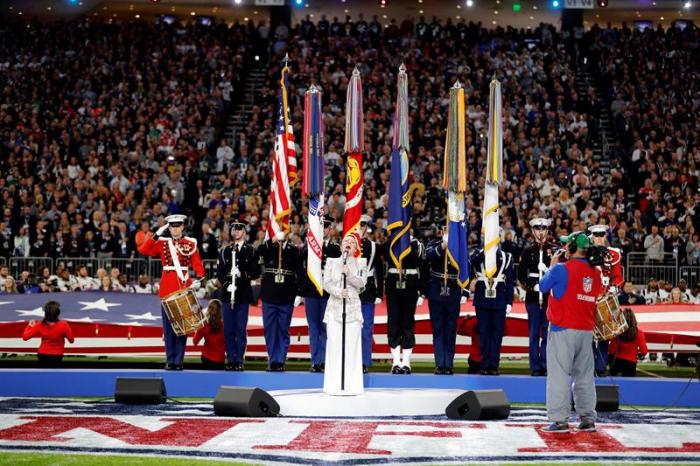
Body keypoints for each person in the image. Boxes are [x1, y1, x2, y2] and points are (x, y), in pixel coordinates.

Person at [539, 231, 603, 433]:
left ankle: (559, 420)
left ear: (573, 248)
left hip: (562, 328)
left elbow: (542, 286)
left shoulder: (559, 269)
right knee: (584, 376)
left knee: (559, 375)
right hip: (586, 330)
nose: (565, 248)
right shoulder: (596, 272)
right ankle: (587, 419)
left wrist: (551, 264)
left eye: (567, 245)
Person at [138, 214, 205, 370]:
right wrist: (157, 233)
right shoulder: (162, 242)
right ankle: (170, 360)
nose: (175, 229)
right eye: (172, 226)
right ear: (168, 227)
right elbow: (143, 250)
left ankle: (179, 361)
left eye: (177, 226)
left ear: (182, 227)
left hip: (184, 287)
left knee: (183, 327)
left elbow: (197, 264)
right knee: (168, 328)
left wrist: (199, 280)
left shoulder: (190, 243)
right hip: (167, 288)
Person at [322, 234, 367, 395]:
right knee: (334, 345)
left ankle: (351, 384)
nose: (348, 244)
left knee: (351, 346)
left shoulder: (361, 262)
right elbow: (325, 282)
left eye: (352, 242)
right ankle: (333, 384)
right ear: (341, 247)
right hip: (335, 308)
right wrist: (337, 291)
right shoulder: (331, 262)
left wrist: (350, 274)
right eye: (346, 241)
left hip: (353, 309)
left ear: (356, 248)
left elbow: (362, 284)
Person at [216, 218, 260, 371]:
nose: (236, 231)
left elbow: (256, 272)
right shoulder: (225, 251)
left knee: (240, 329)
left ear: (244, 232)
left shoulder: (251, 251)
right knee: (228, 329)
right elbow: (219, 273)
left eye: (240, 229)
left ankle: (239, 359)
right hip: (228, 295)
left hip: (242, 294)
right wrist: (227, 283)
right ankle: (231, 358)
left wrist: (243, 274)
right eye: (234, 228)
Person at [299, 215, 341, 372]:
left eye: (325, 227)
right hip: (311, 292)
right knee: (313, 327)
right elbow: (302, 270)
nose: (323, 230)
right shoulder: (309, 247)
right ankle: (315, 361)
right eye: (321, 226)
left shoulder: (335, 249)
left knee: (325, 327)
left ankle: (325, 361)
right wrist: (301, 292)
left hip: (327, 292)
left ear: (330, 229)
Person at [518, 218, 558, 376]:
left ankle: (545, 364)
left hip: (549, 298)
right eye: (537, 228)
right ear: (533, 230)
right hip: (533, 297)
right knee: (534, 333)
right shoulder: (527, 251)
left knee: (547, 333)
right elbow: (521, 274)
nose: (541, 232)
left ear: (547, 230)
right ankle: (535, 366)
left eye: (543, 228)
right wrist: (532, 286)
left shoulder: (554, 250)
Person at [257, 229, 300, 371]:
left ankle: (280, 360)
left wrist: (299, 293)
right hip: (269, 292)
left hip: (287, 293)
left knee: (283, 329)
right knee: (270, 329)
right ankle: (272, 358)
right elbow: (258, 252)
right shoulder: (270, 246)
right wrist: (272, 240)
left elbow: (299, 271)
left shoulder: (294, 250)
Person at [383, 233, 425, 374]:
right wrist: (396, 242)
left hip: (410, 285)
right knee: (393, 322)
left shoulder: (416, 245)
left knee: (408, 322)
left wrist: (422, 291)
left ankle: (406, 362)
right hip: (393, 284)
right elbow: (386, 256)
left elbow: (423, 267)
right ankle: (395, 361)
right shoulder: (391, 244)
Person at [470, 245, 515, 375]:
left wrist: (509, 302)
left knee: (496, 334)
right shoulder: (478, 254)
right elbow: (472, 263)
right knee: (483, 334)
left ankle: (494, 365)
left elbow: (510, 281)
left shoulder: (506, 257)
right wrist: (486, 251)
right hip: (482, 299)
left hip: (499, 299)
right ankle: (484, 365)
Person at [426, 227, 463, 375]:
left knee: (451, 328)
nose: (448, 232)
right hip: (436, 289)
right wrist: (442, 246)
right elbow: (428, 256)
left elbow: (465, 266)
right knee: (438, 328)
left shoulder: (459, 246)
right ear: (441, 232)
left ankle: (449, 364)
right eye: (445, 229)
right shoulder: (433, 243)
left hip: (453, 289)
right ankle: (440, 363)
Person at [589, 224, 624, 377]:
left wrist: (614, 287)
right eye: (596, 235)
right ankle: (588, 367)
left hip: (606, 296)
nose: (599, 238)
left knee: (605, 335)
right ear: (591, 237)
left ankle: (601, 367)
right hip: (589, 298)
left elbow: (617, 276)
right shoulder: (585, 253)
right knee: (588, 336)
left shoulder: (613, 254)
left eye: (602, 235)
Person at [358, 215, 383, 374]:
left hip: (367, 290)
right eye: (359, 225)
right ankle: (350, 360)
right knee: (350, 327)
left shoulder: (374, 246)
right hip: (350, 290)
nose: (361, 228)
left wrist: (380, 292)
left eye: (363, 225)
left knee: (366, 328)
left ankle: (364, 361)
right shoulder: (348, 244)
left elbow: (379, 271)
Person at [22, 301, 75, 367]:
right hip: (57, 356)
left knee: (43, 376)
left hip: (42, 355)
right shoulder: (64, 325)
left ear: (46, 313)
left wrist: (29, 326)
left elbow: (25, 337)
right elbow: (71, 341)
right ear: (58, 313)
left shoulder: (39, 324)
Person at [609, 308, 647, 377]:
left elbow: (611, 350)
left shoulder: (618, 332)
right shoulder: (639, 333)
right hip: (631, 363)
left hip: (617, 362)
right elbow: (644, 351)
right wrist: (636, 353)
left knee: (614, 386)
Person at [193, 299, 226, 370]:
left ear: (208, 309)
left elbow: (195, 342)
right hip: (220, 359)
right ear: (220, 311)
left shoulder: (204, 325)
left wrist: (198, 326)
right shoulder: (225, 326)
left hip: (206, 359)